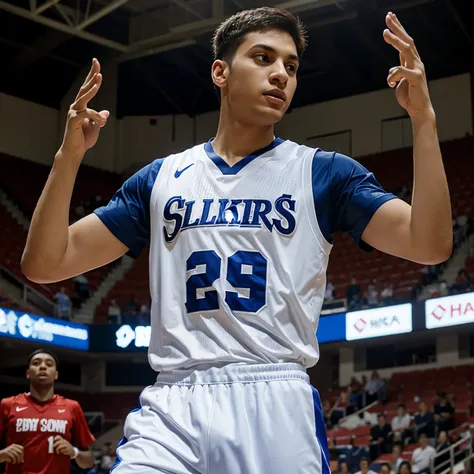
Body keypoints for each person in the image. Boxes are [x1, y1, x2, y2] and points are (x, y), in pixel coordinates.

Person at [21, 6, 452, 474]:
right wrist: (68, 156)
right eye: (264, 58)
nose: (280, 75)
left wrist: (423, 120)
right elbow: (45, 264)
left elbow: (429, 244)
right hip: (173, 402)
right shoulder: (162, 178)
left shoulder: (323, 173)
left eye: (290, 66)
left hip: (276, 400)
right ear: (220, 72)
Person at [0, 349, 95, 473]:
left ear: (56, 375)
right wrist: (2, 454)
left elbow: (90, 461)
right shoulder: (8, 404)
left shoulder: (72, 407)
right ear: (28, 373)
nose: (43, 367)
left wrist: (74, 452)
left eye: (49, 364)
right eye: (36, 363)